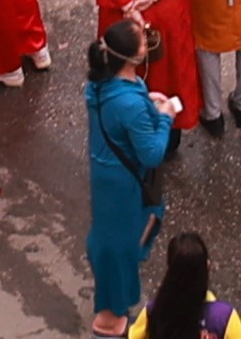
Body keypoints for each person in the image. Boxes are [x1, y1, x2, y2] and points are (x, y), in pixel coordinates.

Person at [92, 23, 183, 318]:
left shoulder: (103, 83)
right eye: (143, 41)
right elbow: (153, 153)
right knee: (123, 244)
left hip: (106, 175)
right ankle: (114, 311)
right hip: (125, 183)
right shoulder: (129, 103)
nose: (148, 40)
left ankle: (115, 296)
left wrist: (148, 102)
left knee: (112, 238)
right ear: (132, 58)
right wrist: (166, 117)